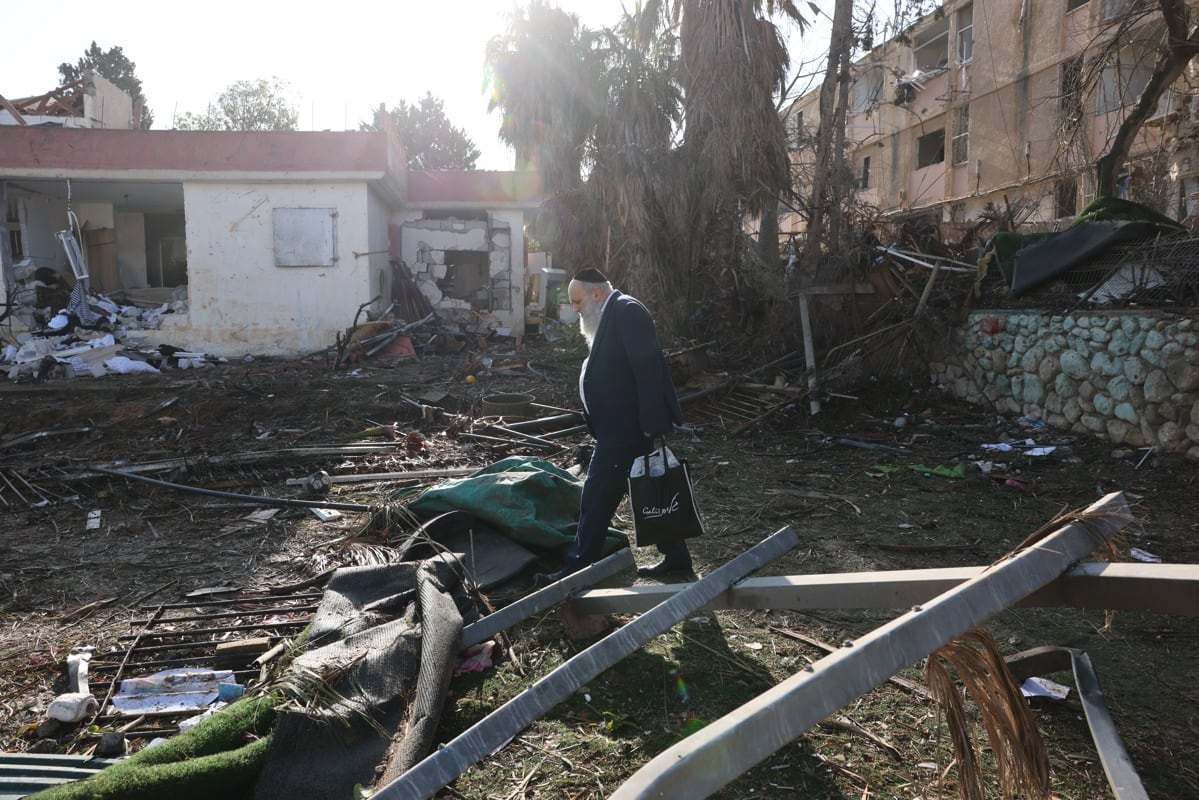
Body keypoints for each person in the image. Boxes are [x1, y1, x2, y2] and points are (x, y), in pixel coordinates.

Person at [534, 267, 694, 586]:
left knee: (596, 497)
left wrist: (651, 423)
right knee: (648, 489)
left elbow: (648, 369)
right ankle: (676, 557)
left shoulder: (627, 310)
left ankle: (578, 567)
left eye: (577, 301)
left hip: (628, 429)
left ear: (596, 293)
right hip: (618, 428)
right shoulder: (609, 315)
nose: (576, 309)